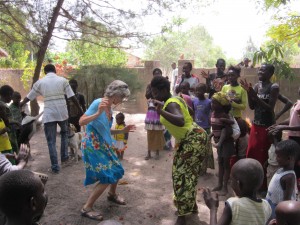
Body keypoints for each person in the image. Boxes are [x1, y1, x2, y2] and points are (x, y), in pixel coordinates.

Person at [150, 76, 212, 225]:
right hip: (193, 137)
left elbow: (180, 120)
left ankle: (183, 216)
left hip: (192, 140)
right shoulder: (177, 99)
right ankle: (191, 207)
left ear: (164, 90)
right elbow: (190, 112)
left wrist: (161, 112)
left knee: (181, 177)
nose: (154, 96)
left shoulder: (171, 103)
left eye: (156, 93)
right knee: (186, 174)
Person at [79, 80, 135, 221]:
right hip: (92, 145)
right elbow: (81, 121)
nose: (122, 101)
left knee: (116, 169)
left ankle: (111, 194)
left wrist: (122, 130)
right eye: (122, 98)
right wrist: (98, 113)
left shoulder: (109, 107)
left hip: (103, 144)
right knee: (106, 176)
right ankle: (86, 208)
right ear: (115, 95)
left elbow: (105, 129)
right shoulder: (99, 103)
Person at [20, 64, 84, 174]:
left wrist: (21, 104)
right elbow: (72, 96)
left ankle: (55, 167)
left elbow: (29, 96)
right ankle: (64, 158)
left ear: (45, 72)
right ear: (55, 70)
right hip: (62, 113)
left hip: (49, 115)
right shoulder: (63, 80)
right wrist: (81, 110)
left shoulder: (40, 82)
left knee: (51, 141)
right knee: (64, 135)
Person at [240, 63, 279, 191]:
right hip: (256, 126)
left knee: (264, 157)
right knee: (251, 153)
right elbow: (252, 106)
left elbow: (269, 108)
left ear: (270, 73)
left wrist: (254, 96)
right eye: (259, 70)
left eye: (263, 70)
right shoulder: (257, 86)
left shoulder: (273, 87)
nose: (260, 72)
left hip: (266, 127)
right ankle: (251, 182)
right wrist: (248, 92)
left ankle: (262, 186)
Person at [203, 158, 272, 225]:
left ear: (239, 184)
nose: (230, 182)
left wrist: (213, 208)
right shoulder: (267, 206)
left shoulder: (234, 205)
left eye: (232, 179)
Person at [266, 140, 299, 220]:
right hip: (272, 203)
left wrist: (282, 216)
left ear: (288, 158)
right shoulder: (281, 169)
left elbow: (287, 199)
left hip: (279, 207)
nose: (276, 158)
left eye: (278, 156)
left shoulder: (289, 177)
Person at [210, 92, 235, 196]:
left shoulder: (224, 115)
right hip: (218, 143)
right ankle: (219, 184)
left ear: (222, 105)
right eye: (212, 103)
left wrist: (220, 141)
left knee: (226, 164)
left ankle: (225, 187)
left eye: (215, 103)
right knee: (220, 163)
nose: (213, 105)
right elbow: (215, 129)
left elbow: (227, 130)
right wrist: (210, 136)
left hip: (226, 143)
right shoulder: (213, 114)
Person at [145, 68, 165, 160]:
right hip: (151, 114)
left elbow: (164, 99)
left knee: (158, 133)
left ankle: (157, 152)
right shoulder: (150, 85)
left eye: (159, 74)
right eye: (155, 74)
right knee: (150, 134)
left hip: (158, 113)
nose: (157, 75)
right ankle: (149, 152)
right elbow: (147, 96)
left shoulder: (163, 85)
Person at [0, 85, 19, 157]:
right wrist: (16, 123)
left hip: (7, 133)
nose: (11, 98)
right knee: (13, 151)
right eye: (11, 95)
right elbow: (6, 120)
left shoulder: (3, 104)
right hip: (8, 134)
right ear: (8, 94)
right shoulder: (2, 106)